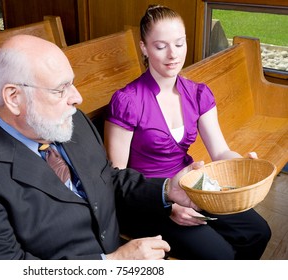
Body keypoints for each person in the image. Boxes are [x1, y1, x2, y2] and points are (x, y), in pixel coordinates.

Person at [0, 34, 203, 260]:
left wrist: (168, 190)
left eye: (72, 83)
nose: (77, 98)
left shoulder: (70, 121)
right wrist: (110, 264)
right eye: (60, 89)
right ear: (13, 97)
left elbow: (107, 180)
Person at [104, 5, 271, 260]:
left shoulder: (198, 93)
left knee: (258, 232)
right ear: (144, 48)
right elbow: (115, 175)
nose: (173, 55)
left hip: (193, 187)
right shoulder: (128, 101)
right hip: (150, 200)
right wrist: (167, 205)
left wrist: (241, 164)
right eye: (161, 46)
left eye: (179, 44)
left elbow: (219, 150)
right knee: (220, 255)